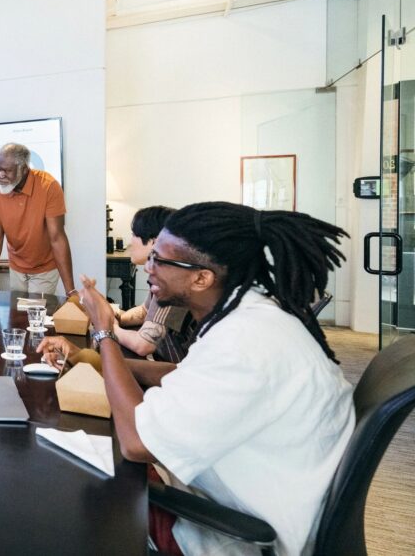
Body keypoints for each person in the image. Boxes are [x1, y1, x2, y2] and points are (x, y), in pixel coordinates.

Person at [38, 202, 354, 556]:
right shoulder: (246, 316)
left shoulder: (243, 344)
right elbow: (185, 375)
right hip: (247, 490)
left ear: (201, 277)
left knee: (74, 496)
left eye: (160, 260)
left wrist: (103, 332)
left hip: (233, 531)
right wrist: (94, 361)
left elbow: (137, 443)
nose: (148, 268)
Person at [0, 143, 74, 298]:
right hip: (17, 265)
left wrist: (70, 291)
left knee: (35, 315)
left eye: (7, 170)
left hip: (44, 267)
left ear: (24, 169)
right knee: (18, 316)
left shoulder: (49, 186)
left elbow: (57, 237)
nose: (0, 175)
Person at [112, 205, 196, 363]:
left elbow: (144, 344)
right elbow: (145, 311)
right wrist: (116, 317)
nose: (130, 241)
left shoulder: (173, 279)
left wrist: (109, 328)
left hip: (182, 374)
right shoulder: (166, 271)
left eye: (133, 234)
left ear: (154, 241)